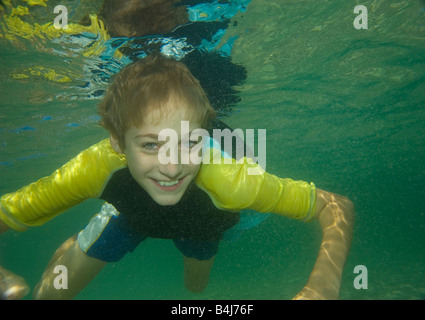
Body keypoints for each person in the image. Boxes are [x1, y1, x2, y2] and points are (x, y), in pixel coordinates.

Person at [0, 54, 354, 300]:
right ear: (118, 143)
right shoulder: (97, 167)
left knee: (195, 290)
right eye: (151, 145)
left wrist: (321, 287)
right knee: (50, 294)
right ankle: (81, 239)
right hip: (132, 216)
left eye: (188, 143)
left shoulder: (231, 179)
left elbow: (335, 206)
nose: (171, 168)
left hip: (202, 224)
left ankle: (79, 243)